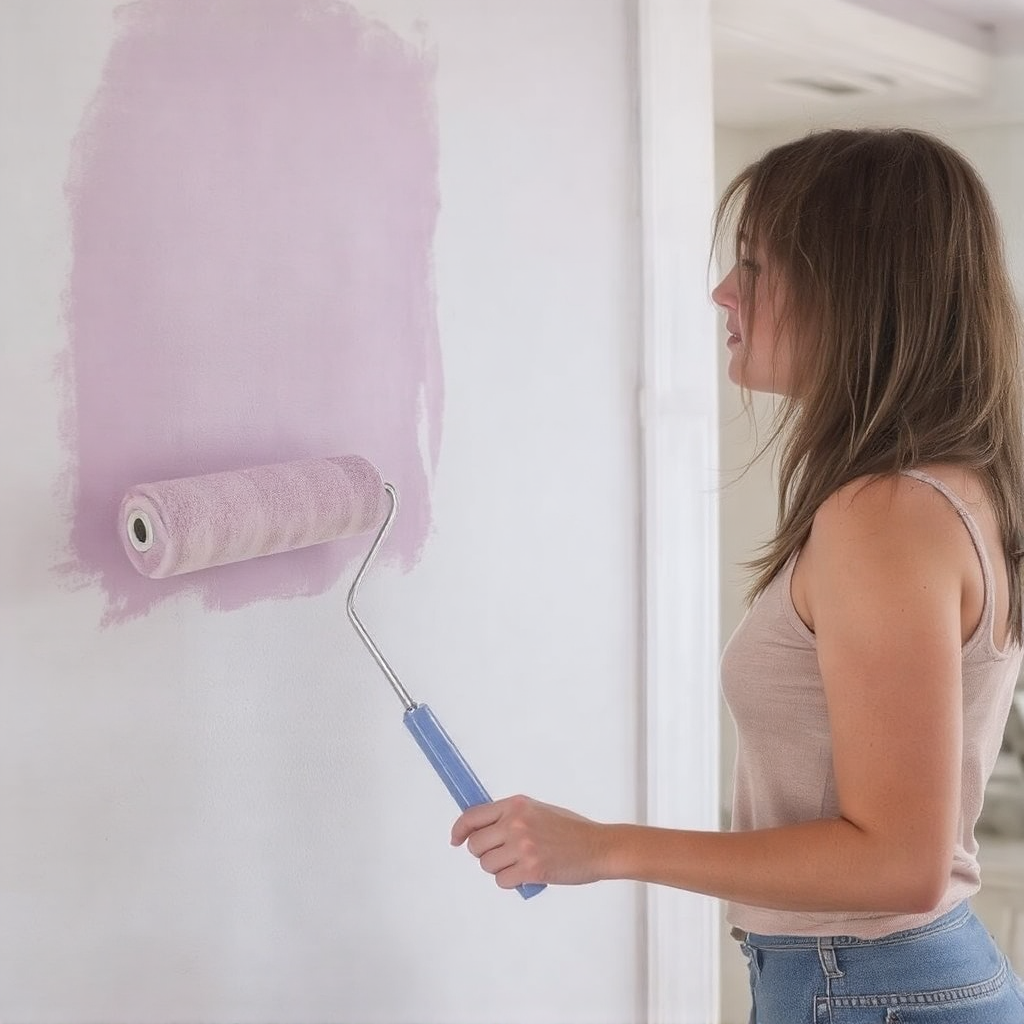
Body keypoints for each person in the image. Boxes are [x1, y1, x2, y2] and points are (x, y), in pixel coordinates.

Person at [451, 128, 1024, 1022]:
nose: (724, 291)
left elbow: (898, 865)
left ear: (853, 288)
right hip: (872, 984)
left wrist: (598, 848)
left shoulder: (886, 513)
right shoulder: (948, 491)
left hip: (869, 988)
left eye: (753, 265)